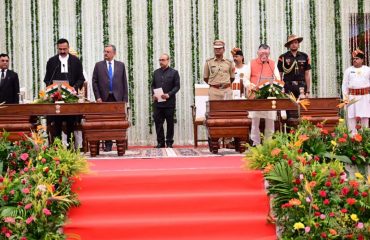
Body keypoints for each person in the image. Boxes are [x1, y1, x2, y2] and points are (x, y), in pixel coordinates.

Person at [43, 38, 85, 146]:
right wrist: (51, 89)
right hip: (56, 98)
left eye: (64, 49)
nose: (62, 51)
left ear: (68, 48)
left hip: (71, 98)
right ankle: (57, 148)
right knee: (56, 123)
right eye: (60, 49)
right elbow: (47, 79)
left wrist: (73, 88)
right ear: (57, 48)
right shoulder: (52, 61)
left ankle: (71, 147)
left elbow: (81, 79)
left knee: (71, 123)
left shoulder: (75, 61)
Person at [92, 44, 128, 152]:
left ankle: (119, 143)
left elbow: (124, 82)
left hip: (118, 99)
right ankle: (108, 144)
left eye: (108, 52)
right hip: (104, 98)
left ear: (114, 53)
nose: (105, 54)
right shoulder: (98, 65)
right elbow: (94, 82)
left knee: (118, 122)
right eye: (104, 52)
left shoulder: (121, 65)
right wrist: (97, 97)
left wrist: (125, 99)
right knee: (106, 122)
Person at [244, 44, 281, 145]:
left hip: (269, 95)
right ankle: (255, 143)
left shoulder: (272, 64)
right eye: (262, 53)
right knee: (255, 121)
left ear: (269, 53)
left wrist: (274, 87)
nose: (264, 55)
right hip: (255, 95)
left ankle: (268, 143)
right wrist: (250, 85)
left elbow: (277, 79)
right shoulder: (251, 63)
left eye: (266, 53)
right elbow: (245, 79)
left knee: (270, 120)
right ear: (258, 52)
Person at [151, 53, 180, 148]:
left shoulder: (174, 72)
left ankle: (169, 142)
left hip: (169, 103)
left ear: (168, 60)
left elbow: (177, 86)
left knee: (170, 123)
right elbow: (153, 86)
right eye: (160, 60)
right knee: (158, 123)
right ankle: (160, 142)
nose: (161, 62)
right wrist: (153, 94)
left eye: (163, 60)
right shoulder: (156, 72)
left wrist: (169, 94)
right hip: (158, 103)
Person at [342, 49, 370, 135]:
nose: (355, 60)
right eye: (353, 58)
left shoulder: (368, 69)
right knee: (351, 118)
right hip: (352, 98)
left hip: (365, 97)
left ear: (362, 60)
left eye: (357, 58)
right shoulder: (348, 70)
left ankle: (364, 139)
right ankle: (352, 138)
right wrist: (345, 99)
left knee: (365, 118)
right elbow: (344, 85)